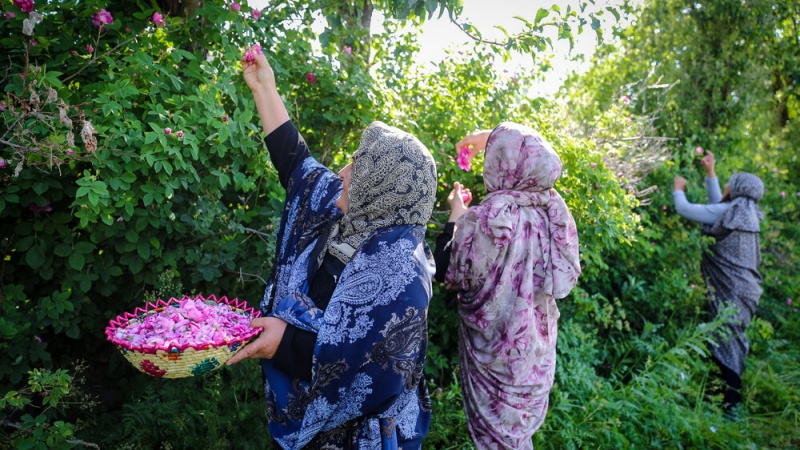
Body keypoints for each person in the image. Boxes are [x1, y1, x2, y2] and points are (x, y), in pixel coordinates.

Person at [227, 50, 437, 449]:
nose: (342, 171)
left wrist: (283, 343)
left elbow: (371, 373)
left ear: (382, 186)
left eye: (358, 166)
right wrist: (264, 88)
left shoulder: (403, 279)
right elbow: (298, 166)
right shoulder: (345, 217)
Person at [434, 123, 581, 449]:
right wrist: (481, 137)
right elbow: (525, 146)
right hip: (533, 353)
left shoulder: (491, 217)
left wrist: (457, 216)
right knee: (517, 439)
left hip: (495, 356)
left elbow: (446, 270)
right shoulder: (550, 209)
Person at [673, 150, 764, 413]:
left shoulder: (728, 212)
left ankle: (730, 408)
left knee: (726, 340)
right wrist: (710, 173)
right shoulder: (745, 214)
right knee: (731, 339)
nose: (725, 184)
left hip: (731, 290)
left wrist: (678, 189)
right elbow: (718, 208)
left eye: (729, 183)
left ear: (736, 190)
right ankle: (724, 402)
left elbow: (685, 209)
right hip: (747, 289)